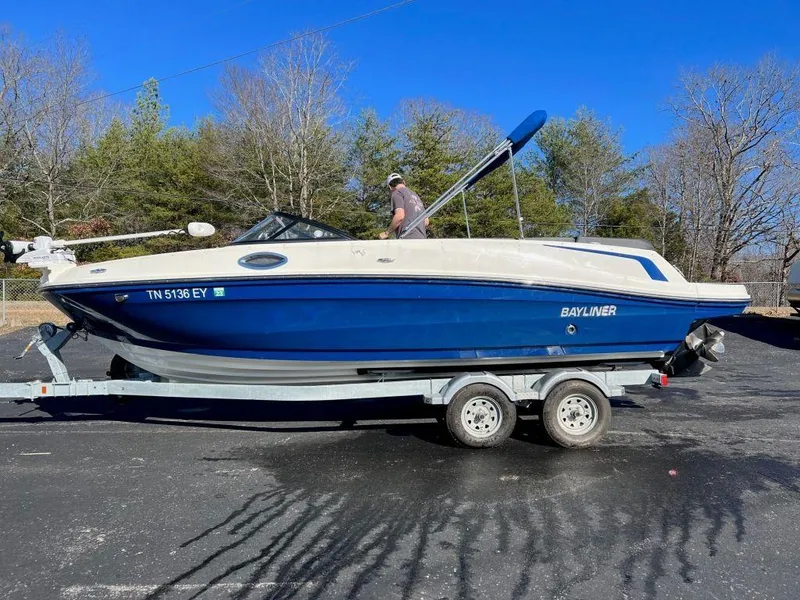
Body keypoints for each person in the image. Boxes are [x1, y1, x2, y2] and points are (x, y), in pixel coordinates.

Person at [379, 173, 428, 239]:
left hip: (408, 237)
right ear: (404, 182)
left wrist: (386, 233)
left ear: (390, 187)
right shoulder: (416, 196)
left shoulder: (397, 193)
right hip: (422, 238)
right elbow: (426, 221)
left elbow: (399, 216)